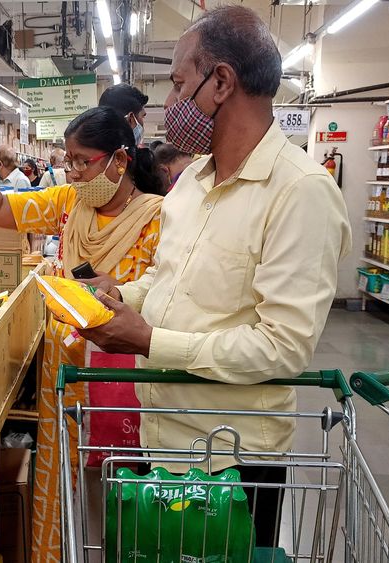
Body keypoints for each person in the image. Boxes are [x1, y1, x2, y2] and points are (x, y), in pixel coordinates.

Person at [81, 5, 351, 547]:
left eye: (179, 83)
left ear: (221, 81)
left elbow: (283, 347)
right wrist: (118, 294)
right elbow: (167, 279)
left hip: (231, 460)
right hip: (162, 447)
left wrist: (151, 340)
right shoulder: (191, 183)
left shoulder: (299, 192)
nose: (170, 103)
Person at [0, 106, 165, 563]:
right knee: (64, 491)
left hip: (122, 381)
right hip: (66, 376)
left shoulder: (157, 217)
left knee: (119, 495)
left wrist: (118, 288)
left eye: (83, 161)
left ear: (120, 160)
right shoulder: (66, 203)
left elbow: (165, 287)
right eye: (69, 161)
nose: (74, 172)